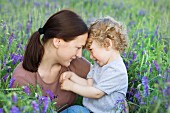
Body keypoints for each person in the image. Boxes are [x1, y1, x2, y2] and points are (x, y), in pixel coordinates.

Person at [11, 9, 91, 112]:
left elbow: (108, 80)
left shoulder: (77, 64)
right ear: (57, 42)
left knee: (78, 110)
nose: (79, 55)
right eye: (77, 47)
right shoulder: (23, 78)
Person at [60, 16, 129, 113]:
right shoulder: (100, 63)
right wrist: (73, 77)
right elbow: (90, 85)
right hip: (89, 110)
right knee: (73, 110)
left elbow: (97, 93)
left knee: (74, 111)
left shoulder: (116, 70)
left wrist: (71, 86)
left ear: (107, 44)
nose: (91, 57)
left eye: (92, 50)